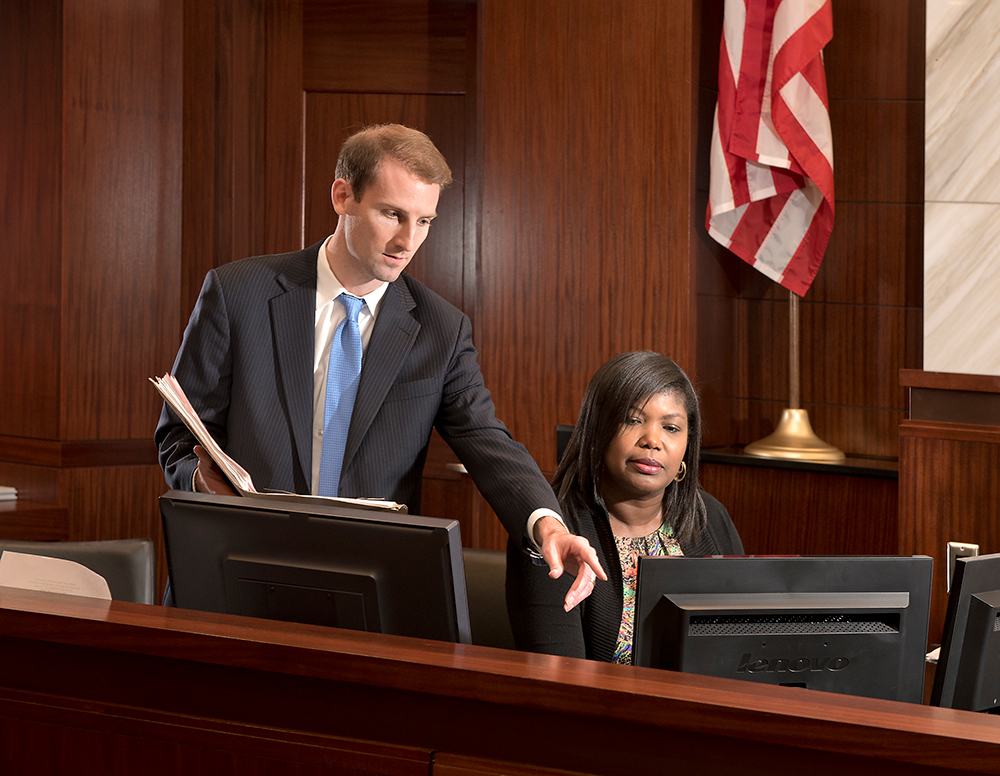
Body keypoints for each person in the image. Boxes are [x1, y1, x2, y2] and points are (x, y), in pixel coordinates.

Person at [155, 123, 604, 608]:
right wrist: (203, 481)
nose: (408, 240)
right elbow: (178, 436)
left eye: (425, 221)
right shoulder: (237, 292)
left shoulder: (441, 330)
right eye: (392, 214)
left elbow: (486, 438)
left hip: (360, 588)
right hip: (235, 573)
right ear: (343, 196)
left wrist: (547, 523)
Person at [506, 351, 742, 663]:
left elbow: (742, 647)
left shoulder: (709, 516)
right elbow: (559, 678)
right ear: (597, 432)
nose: (653, 441)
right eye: (632, 420)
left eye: (671, 427)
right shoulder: (553, 533)